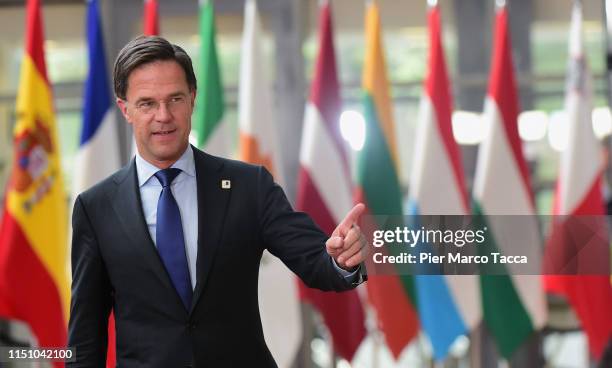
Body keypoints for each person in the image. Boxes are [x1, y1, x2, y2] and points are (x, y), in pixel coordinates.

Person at [68, 35, 367, 367]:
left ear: (193, 99)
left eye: (175, 99)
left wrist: (341, 260)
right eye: (147, 103)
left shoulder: (249, 186)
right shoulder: (95, 208)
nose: (163, 115)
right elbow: (85, 335)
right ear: (125, 109)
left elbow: (313, 258)